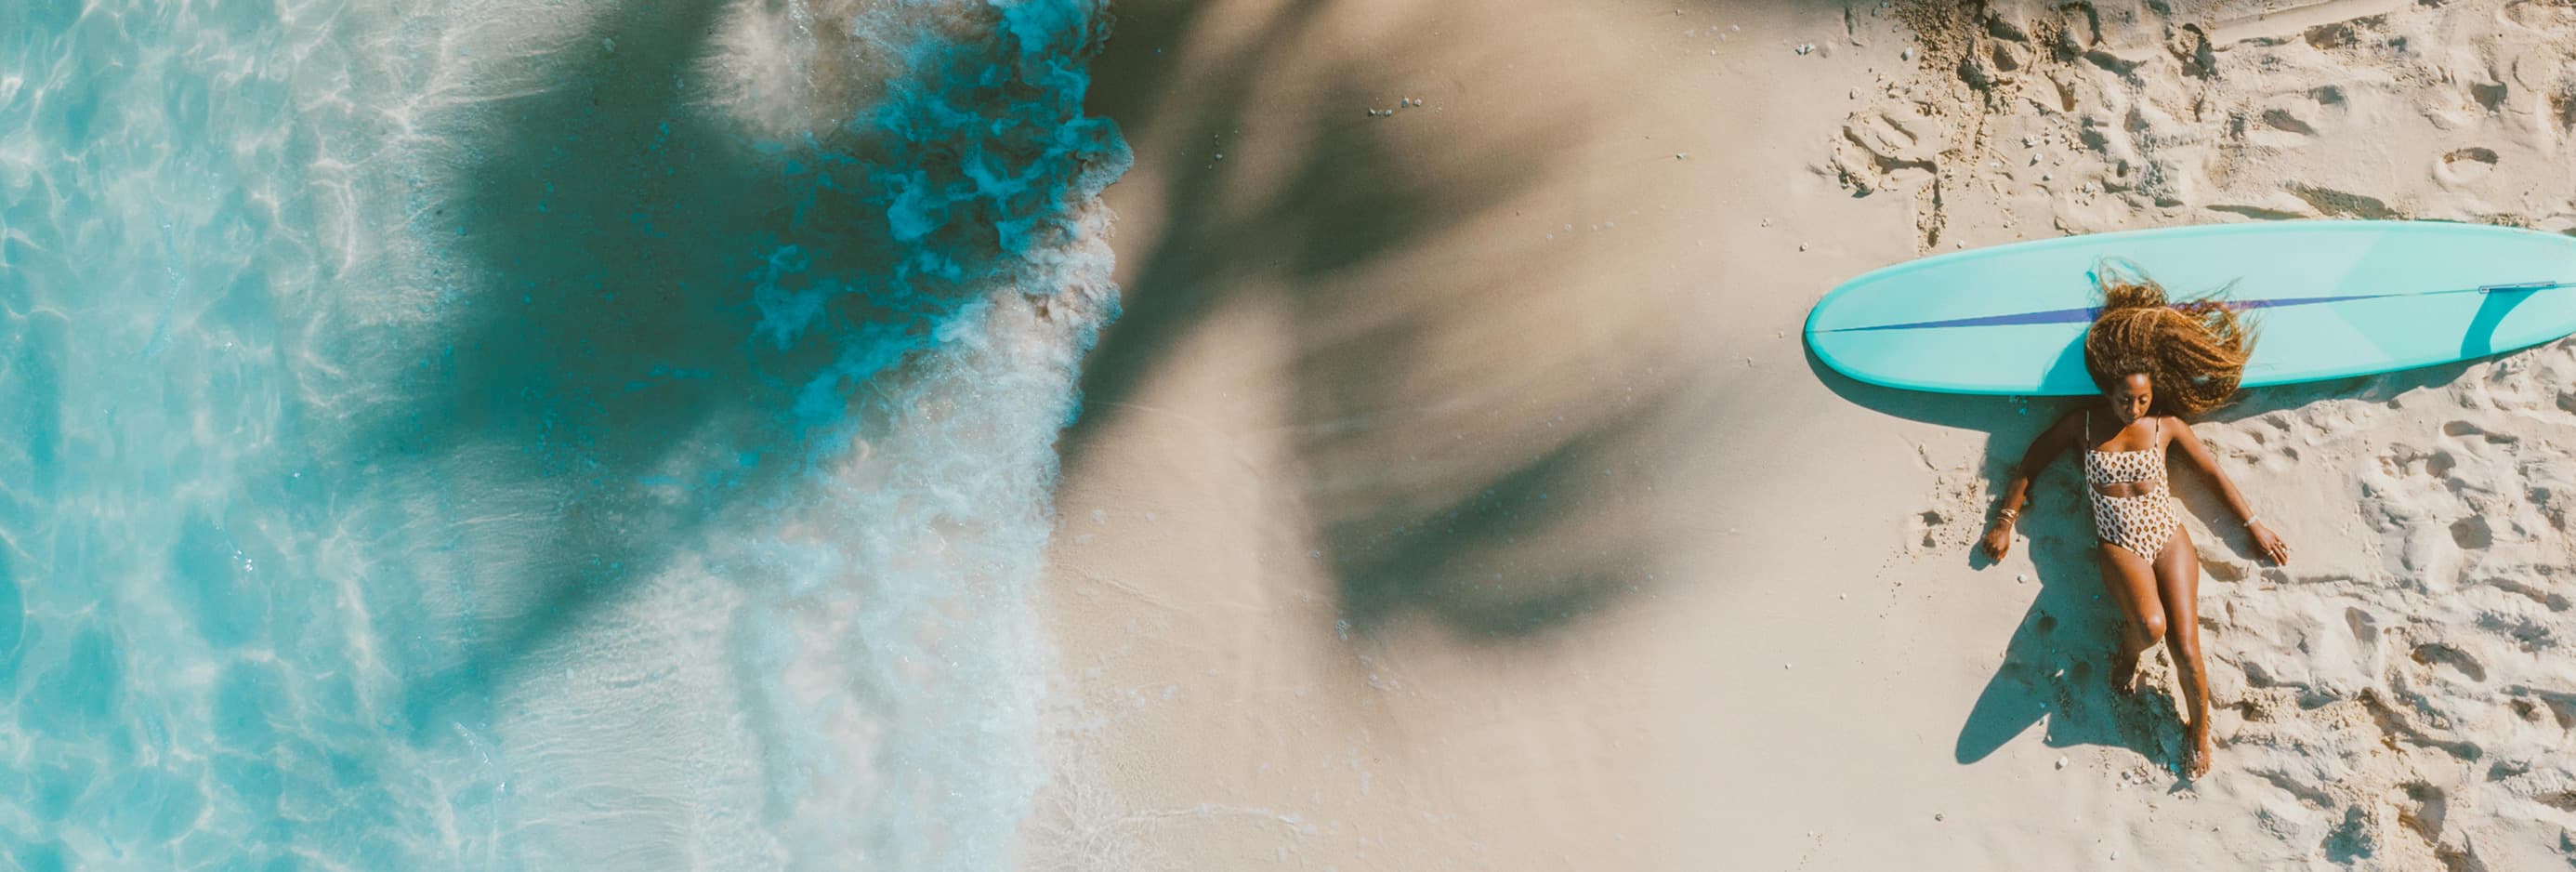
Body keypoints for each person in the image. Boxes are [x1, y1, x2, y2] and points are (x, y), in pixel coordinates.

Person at [1978, 262, 2292, 779]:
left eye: (2142, 398)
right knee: (2149, 627)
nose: (2134, 407)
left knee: (2186, 645)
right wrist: (2006, 518)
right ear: (2107, 391)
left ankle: (2199, 728)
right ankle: (2128, 654)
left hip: (2167, 536)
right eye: (2126, 399)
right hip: (2118, 542)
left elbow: (2211, 474)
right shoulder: (2081, 424)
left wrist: (2252, 524)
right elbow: (2031, 461)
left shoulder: (2164, 425)